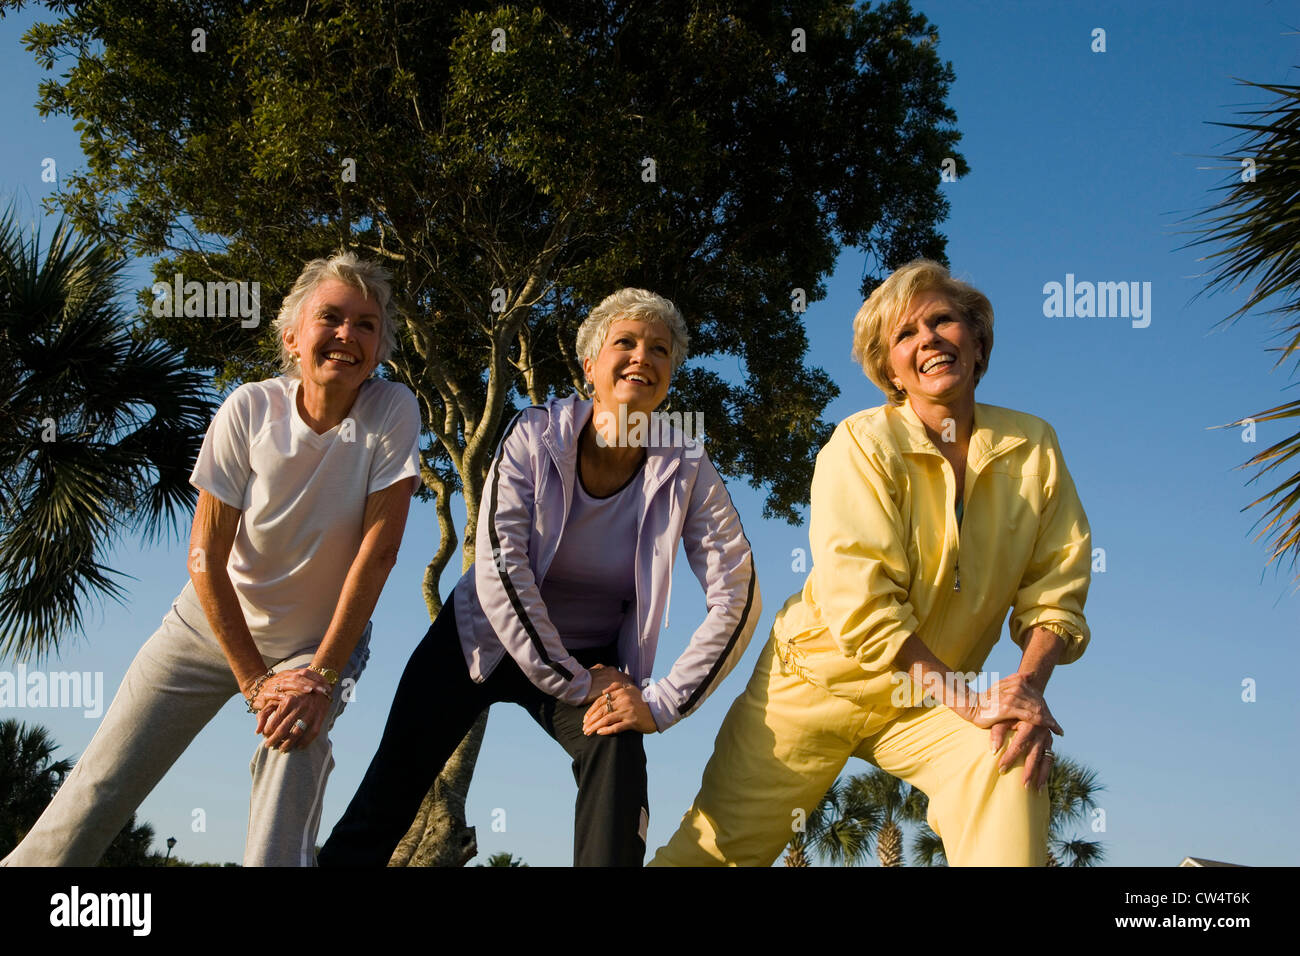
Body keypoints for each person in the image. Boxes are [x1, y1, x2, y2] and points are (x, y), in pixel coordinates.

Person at [650, 259, 1092, 867]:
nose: (929, 339)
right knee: (712, 855)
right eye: (905, 335)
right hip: (812, 687)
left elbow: (1056, 587)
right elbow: (863, 606)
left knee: (1009, 763)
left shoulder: (1033, 444)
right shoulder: (861, 443)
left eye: (943, 321)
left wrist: (1024, 692)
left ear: (979, 341)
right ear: (890, 369)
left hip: (926, 703)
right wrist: (972, 701)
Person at [1, 252, 421, 867]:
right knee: (100, 781)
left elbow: (379, 554)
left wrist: (319, 680)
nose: (346, 335)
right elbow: (204, 556)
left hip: (317, 646)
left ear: (380, 348)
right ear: (292, 335)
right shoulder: (249, 408)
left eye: (365, 325)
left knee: (294, 744)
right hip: (206, 623)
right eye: (330, 317)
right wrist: (254, 680)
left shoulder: (392, 411)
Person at [320, 288, 760, 867]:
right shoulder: (534, 434)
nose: (641, 357)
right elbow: (504, 566)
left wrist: (661, 702)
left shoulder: (687, 466)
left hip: (589, 659)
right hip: (476, 642)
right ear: (589, 366)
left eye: (659, 350)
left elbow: (738, 593)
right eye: (624, 342)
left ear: (670, 376)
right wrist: (576, 683)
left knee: (618, 743)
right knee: (387, 797)